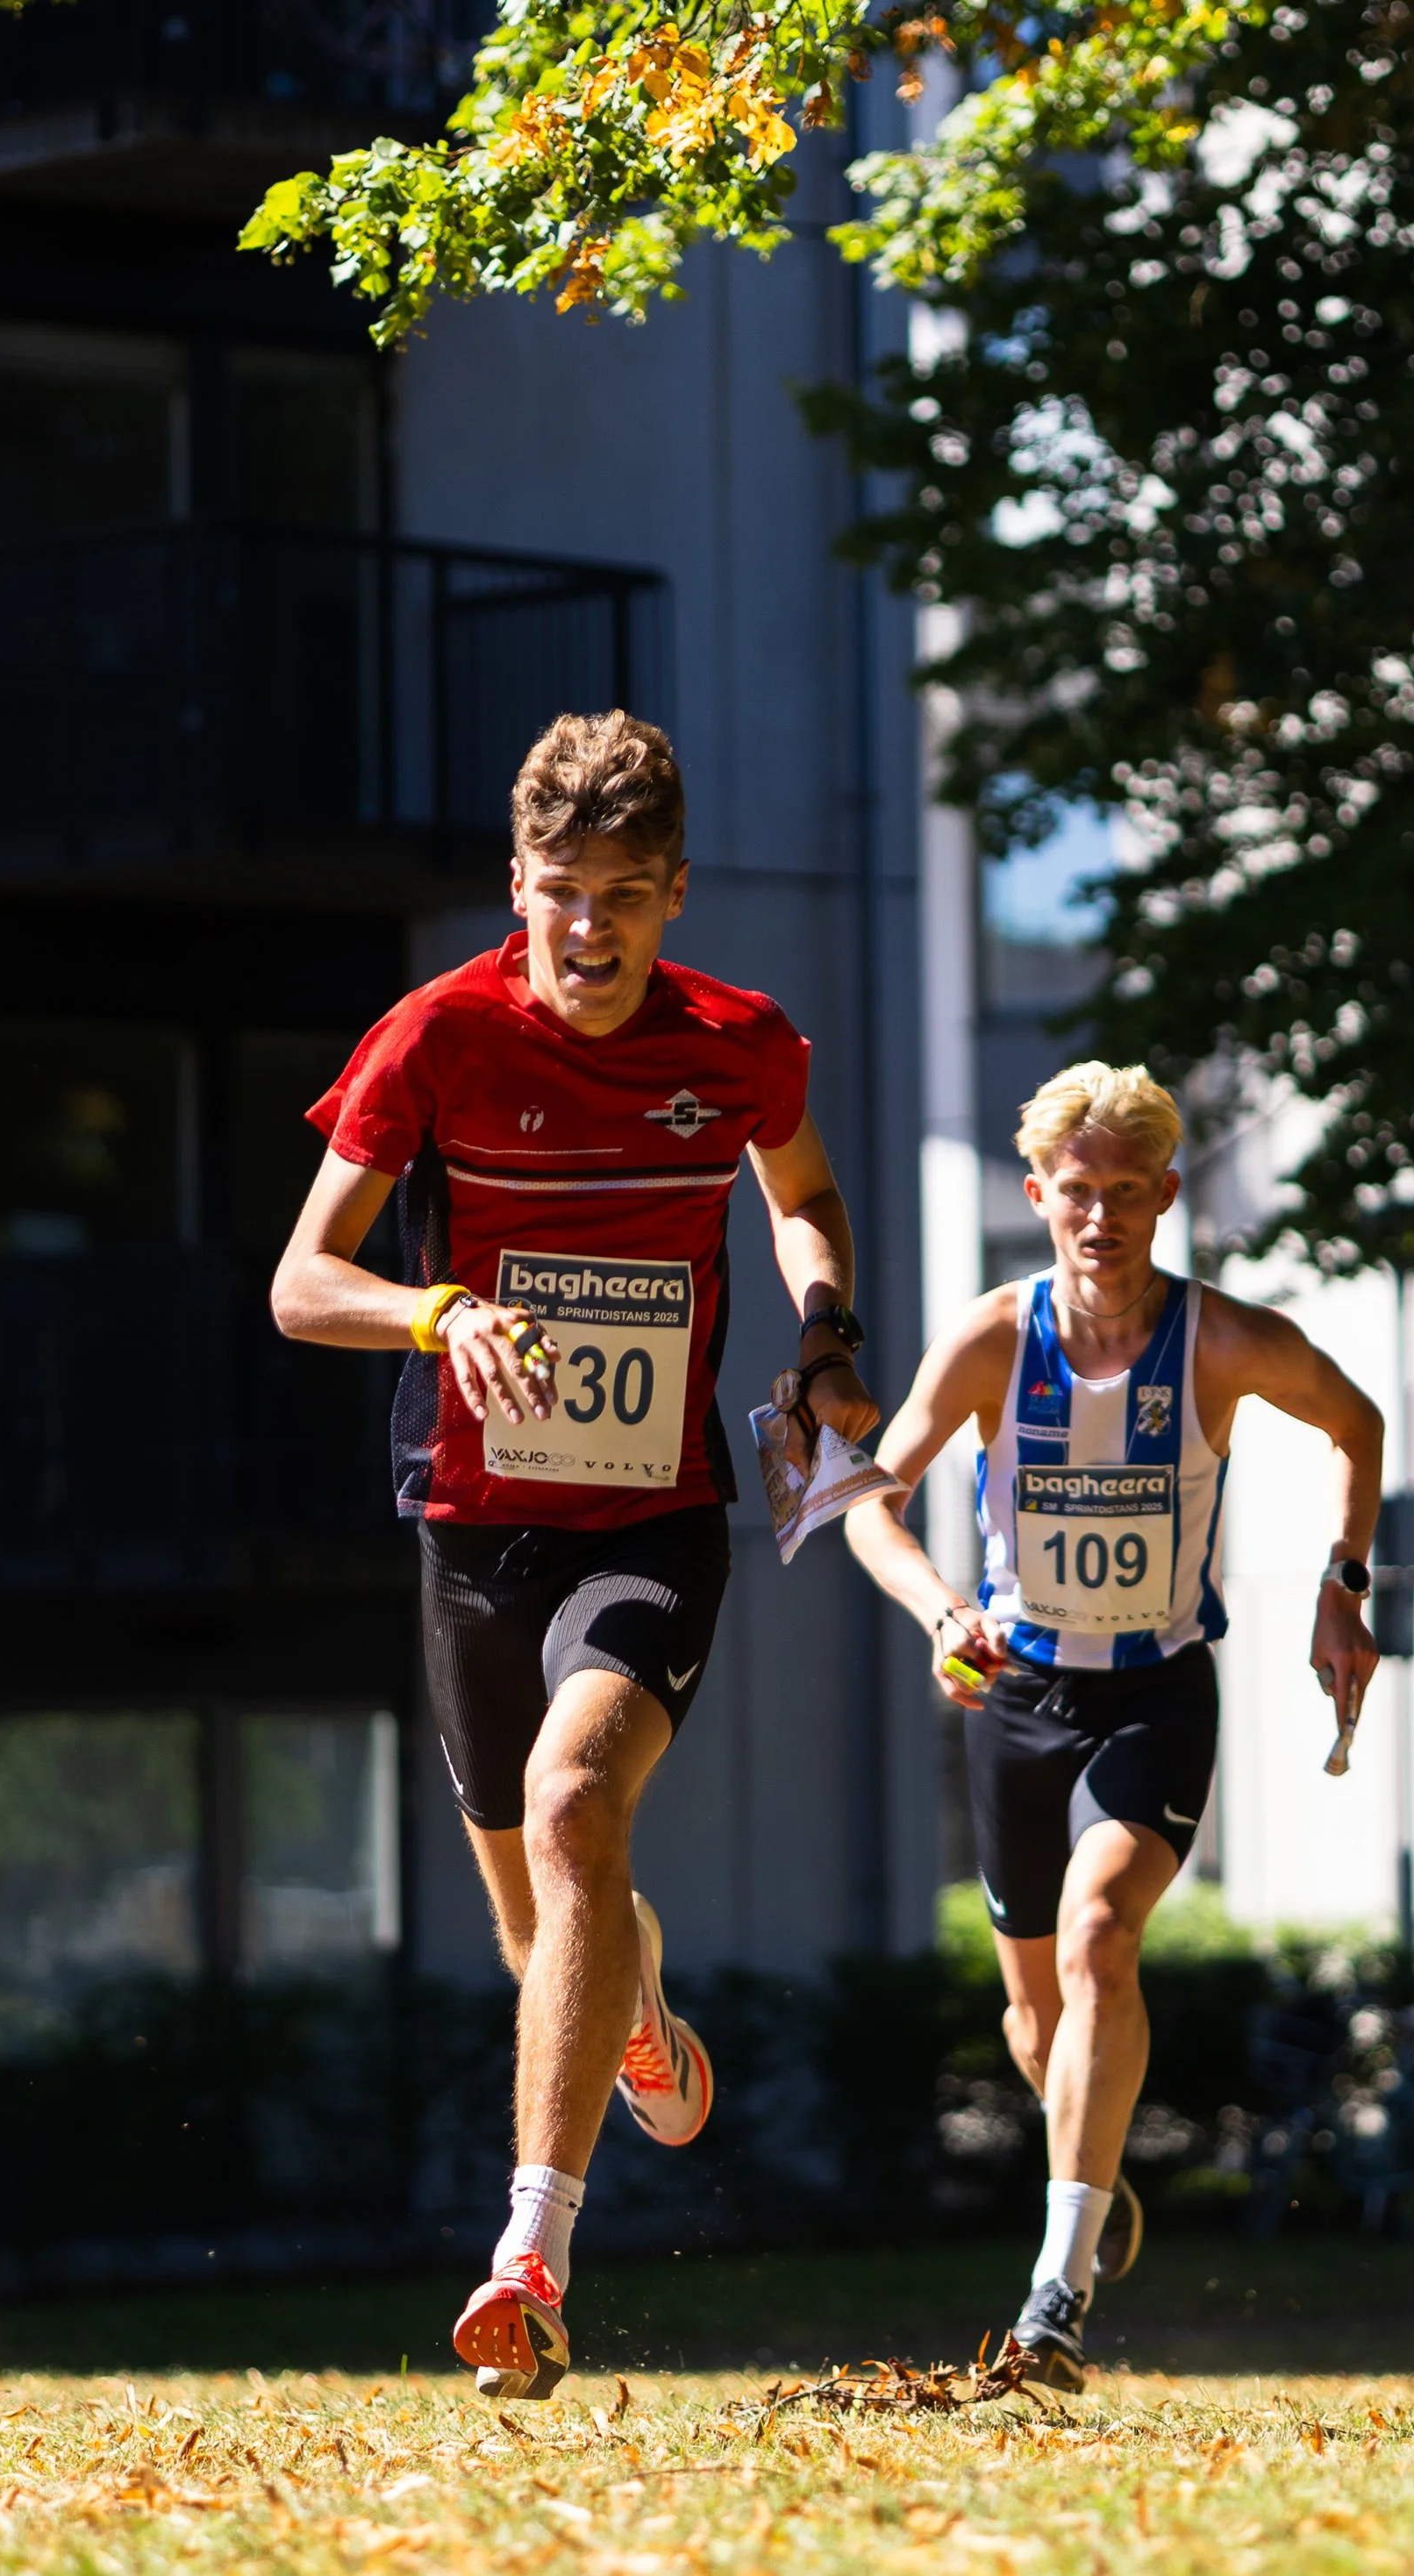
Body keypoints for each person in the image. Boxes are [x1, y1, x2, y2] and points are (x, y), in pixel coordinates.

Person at [272, 710, 878, 2402]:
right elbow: (300, 1283)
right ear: (515, 886)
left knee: (572, 1808)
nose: (590, 932)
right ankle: (641, 2017)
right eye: (560, 895)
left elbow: (805, 1195)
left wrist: (825, 1335)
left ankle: (528, 2255)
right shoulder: (436, 1038)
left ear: (678, 892)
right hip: (474, 1524)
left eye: (625, 895)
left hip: (652, 1517)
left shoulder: (742, 1042)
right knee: (545, 1930)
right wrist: (438, 1312)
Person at [844, 1061, 1382, 2389]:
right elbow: (868, 1499)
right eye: (1077, 1194)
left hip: (1155, 1694)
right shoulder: (988, 1339)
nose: (1101, 1221)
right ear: (1039, 1195)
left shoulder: (1223, 1338)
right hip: (1016, 1700)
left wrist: (1343, 1584)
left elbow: (1356, 1423)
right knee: (1038, 2022)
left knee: (1101, 1935)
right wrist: (935, 1610)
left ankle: (1056, 2295)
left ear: (1167, 1197)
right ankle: (1089, 2178)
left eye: (1127, 1195)